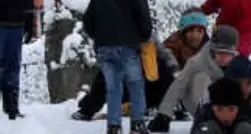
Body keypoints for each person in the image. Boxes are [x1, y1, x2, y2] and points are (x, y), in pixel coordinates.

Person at [71, 9, 209, 122]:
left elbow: (166, 57)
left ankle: (171, 107)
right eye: (190, 31)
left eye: (199, 31)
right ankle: (89, 108)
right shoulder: (172, 44)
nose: (195, 36)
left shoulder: (209, 48)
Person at [81, 0, 153, 134]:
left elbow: (88, 23)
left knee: (113, 88)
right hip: (129, 47)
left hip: (105, 48)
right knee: (136, 85)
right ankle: (137, 125)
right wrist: (142, 38)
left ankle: (114, 128)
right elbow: (145, 25)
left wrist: (101, 37)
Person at [149, 25, 239, 134]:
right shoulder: (198, 62)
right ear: (212, 50)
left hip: (228, 109)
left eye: (228, 54)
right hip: (198, 102)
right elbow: (178, 85)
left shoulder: (240, 65)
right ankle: (206, 117)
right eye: (220, 53)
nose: (223, 58)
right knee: (200, 77)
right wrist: (164, 114)